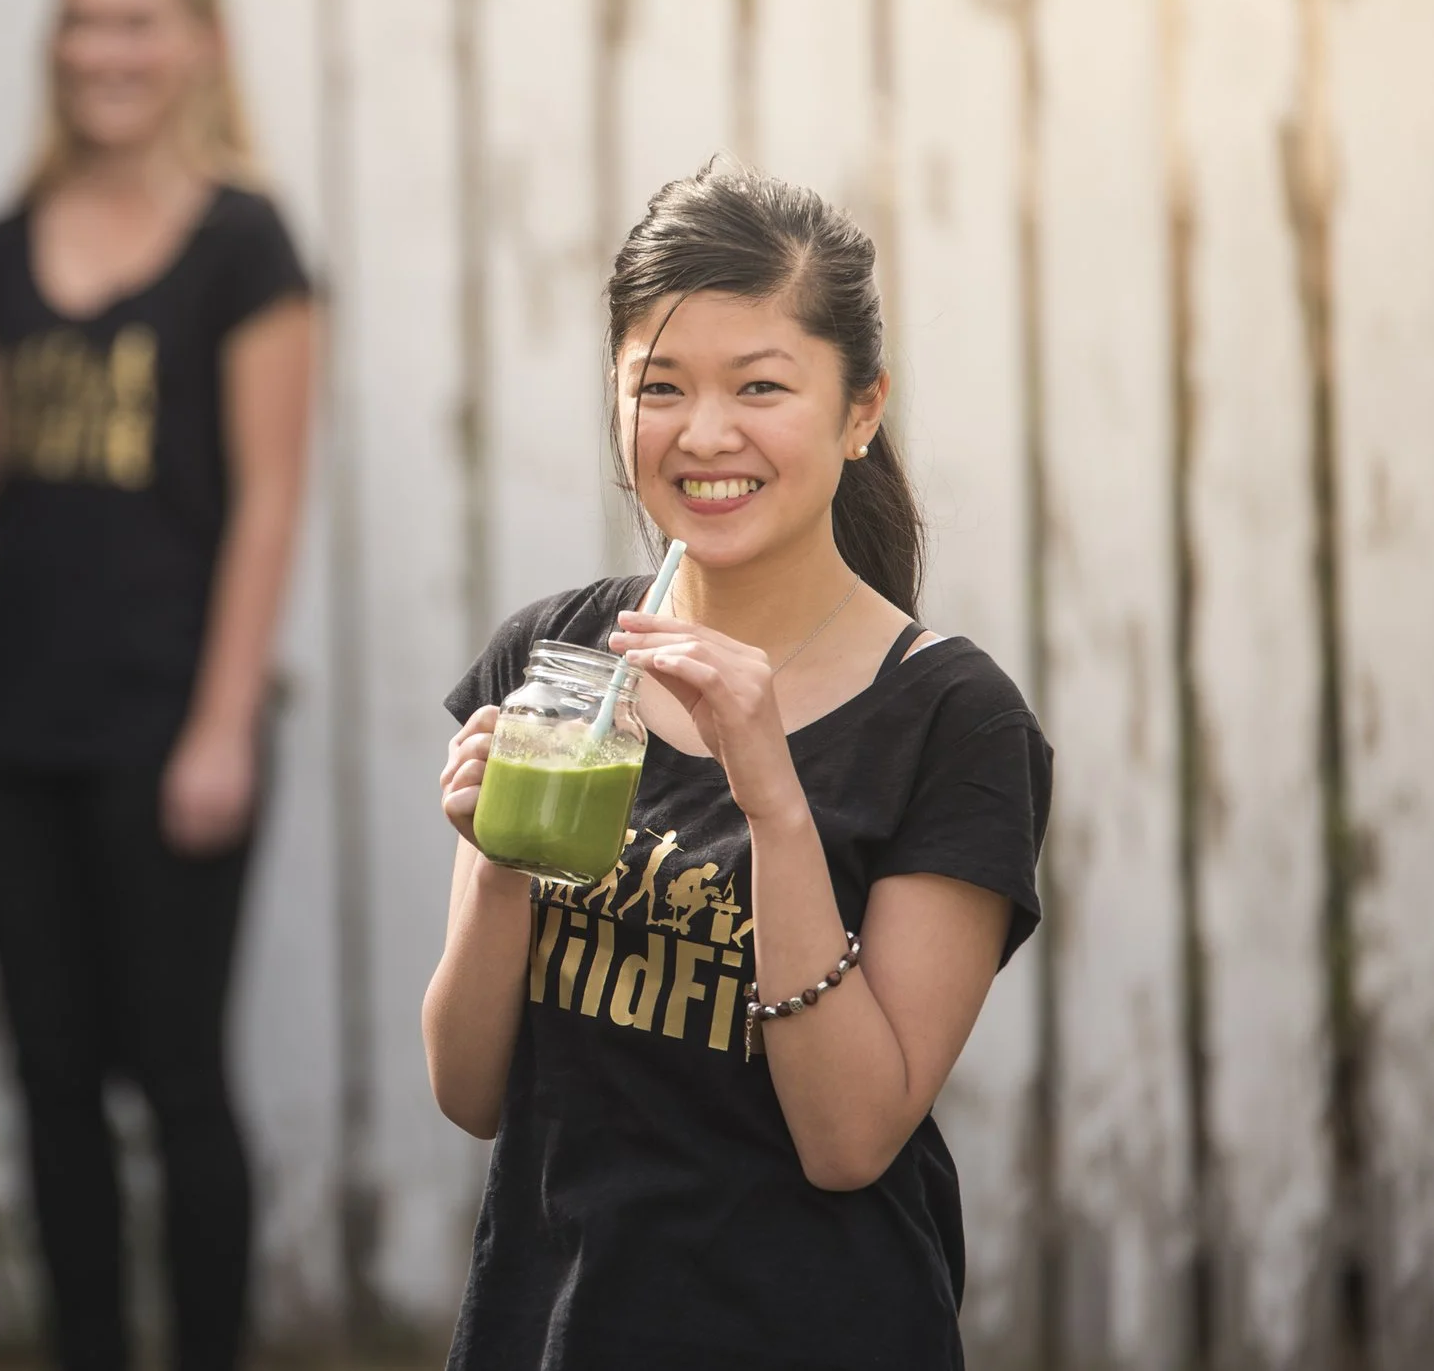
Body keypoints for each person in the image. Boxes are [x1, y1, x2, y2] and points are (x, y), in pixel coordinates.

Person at [425, 162, 1052, 1369]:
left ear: (859, 411)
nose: (704, 434)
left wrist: (772, 797)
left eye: (759, 386)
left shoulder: (952, 722)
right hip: (550, 1325)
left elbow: (851, 1138)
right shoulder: (554, 664)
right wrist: (501, 864)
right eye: (659, 388)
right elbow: (469, 1090)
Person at [0, 0, 316, 1371]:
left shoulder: (246, 243)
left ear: (199, 45)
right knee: (49, 1077)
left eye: (138, 23)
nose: (106, 52)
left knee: (181, 1082)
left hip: (166, 716)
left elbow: (267, 501)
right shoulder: (3, 246)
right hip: (13, 716)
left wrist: (222, 725)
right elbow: (1, 477)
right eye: (82, 23)